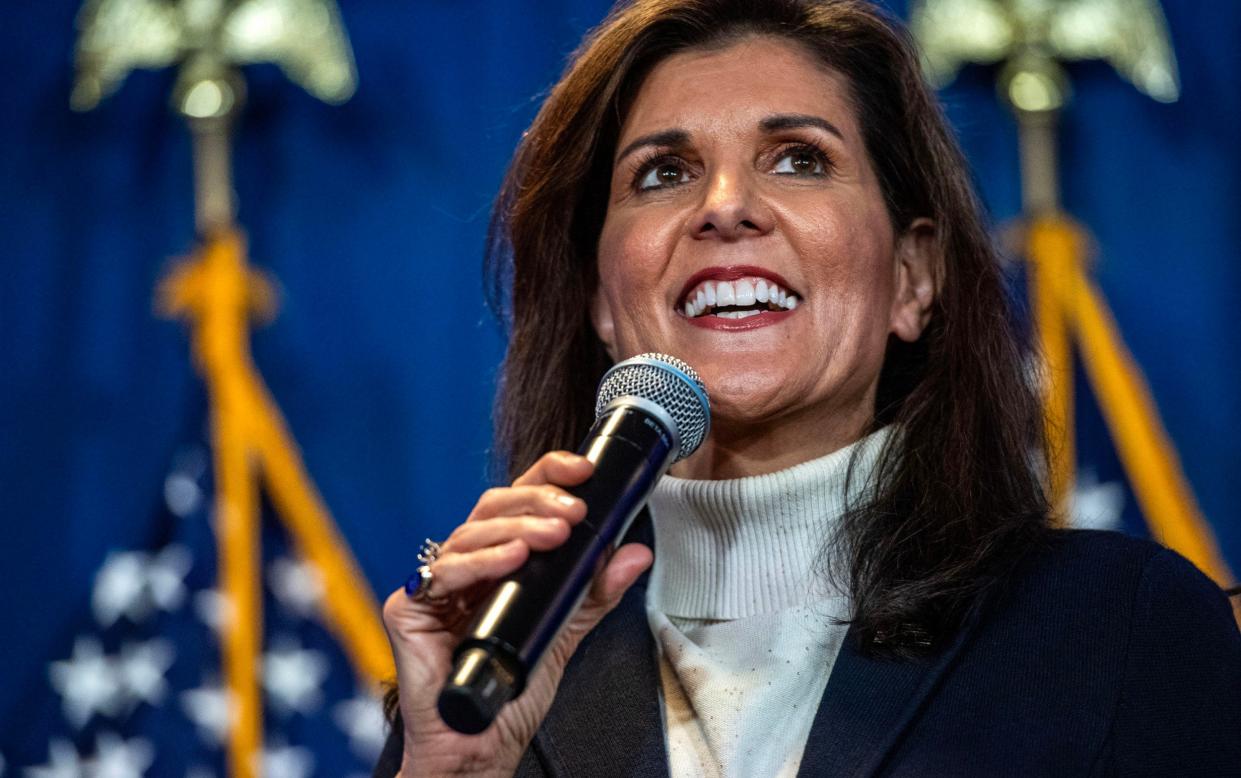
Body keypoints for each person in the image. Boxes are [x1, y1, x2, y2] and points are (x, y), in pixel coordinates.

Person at [375, 1, 1241, 775]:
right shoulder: (494, 667)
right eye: (662, 173)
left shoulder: (1117, 634)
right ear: (602, 301)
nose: (723, 205)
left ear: (911, 278)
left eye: (797, 159)